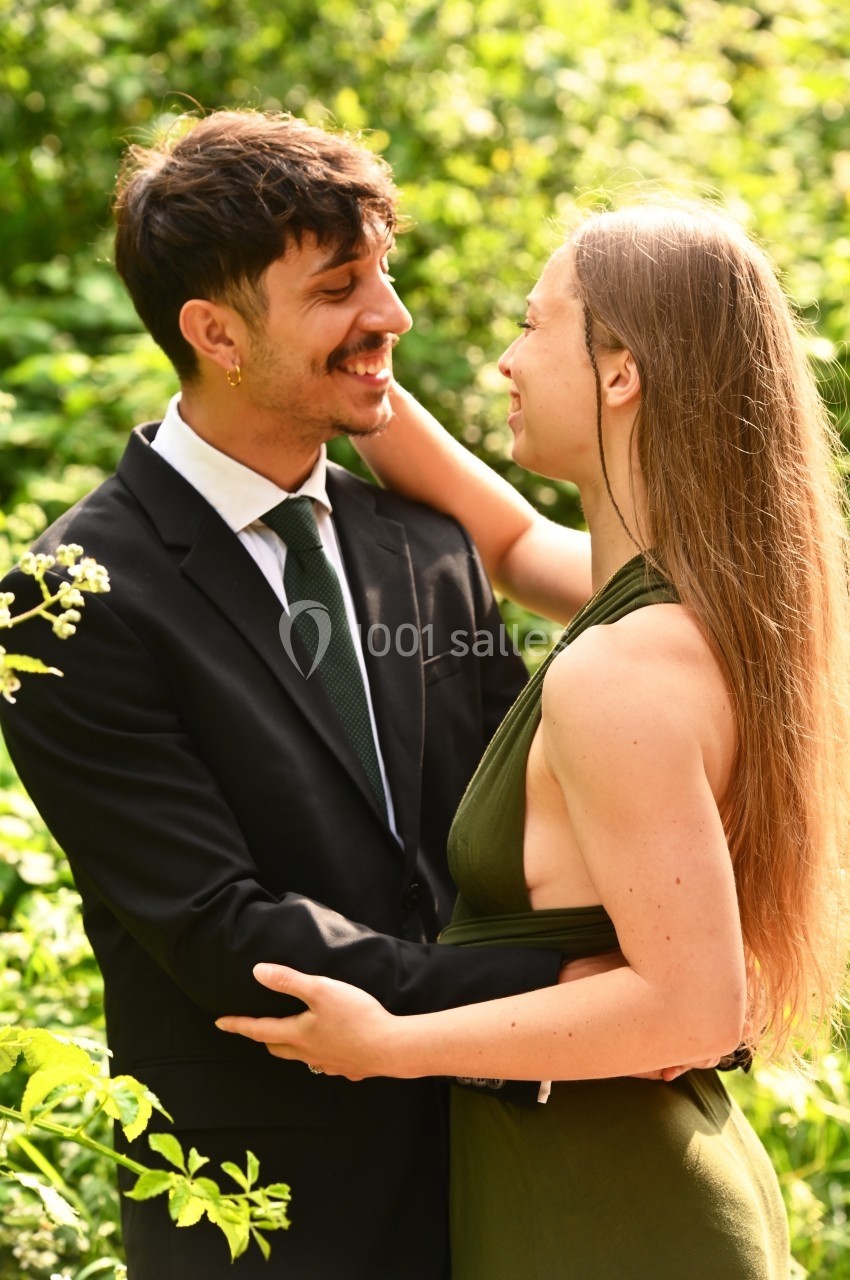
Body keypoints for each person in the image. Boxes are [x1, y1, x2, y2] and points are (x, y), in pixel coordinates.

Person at [0, 109, 602, 1280]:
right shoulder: (66, 599)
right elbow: (225, 931)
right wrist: (570, 985)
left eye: (383, 274)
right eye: (339, 288)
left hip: (501, 1182)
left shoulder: (425, 545)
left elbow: (511, 829)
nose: (391, 318)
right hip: (265, 1216)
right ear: (214, 331)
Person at [218, 202, 850, 1279]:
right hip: (629, 1178)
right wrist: (337, 371)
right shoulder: (710, 607)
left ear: (620, 372)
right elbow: (505, 536)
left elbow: (691, 1004)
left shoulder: (621, 674)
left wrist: (389, 1045)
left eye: (531, 324)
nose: (505, 360)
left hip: (608, 1212)